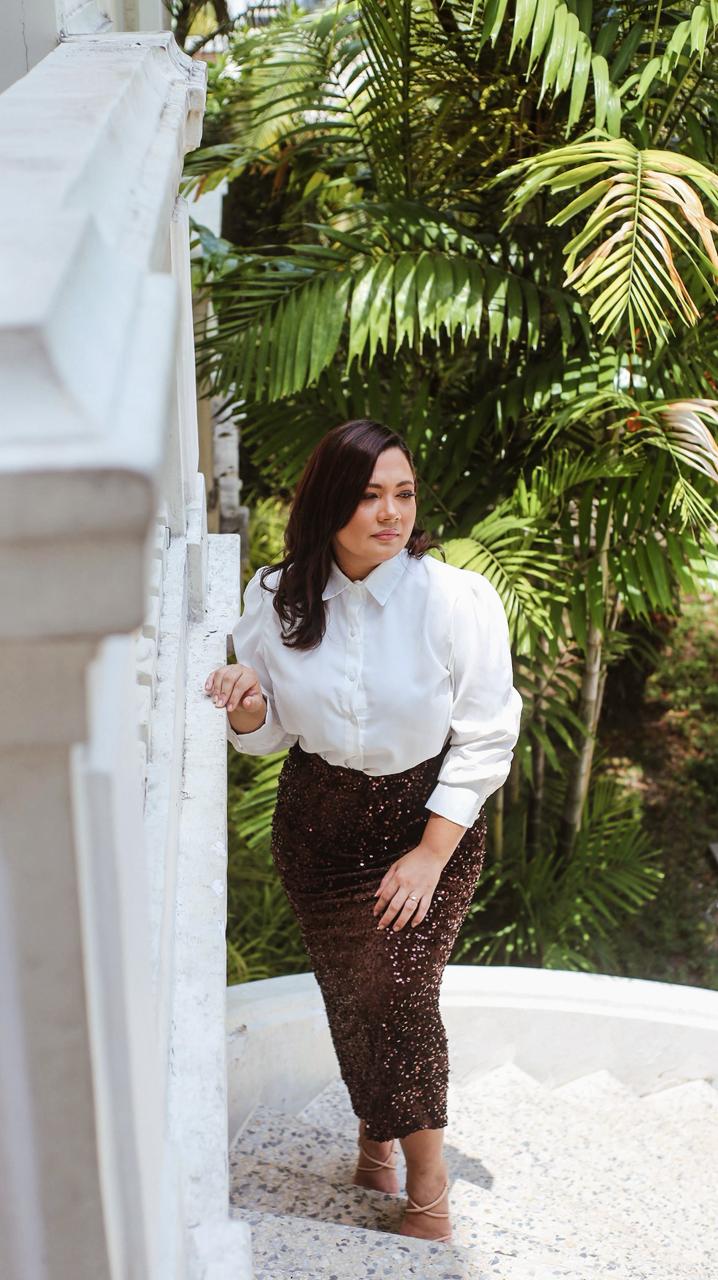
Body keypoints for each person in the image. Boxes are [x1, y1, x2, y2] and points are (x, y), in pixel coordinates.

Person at [205, 419, 522, 1244]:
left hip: (427, 820)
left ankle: (428, 1189)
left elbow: (488, 736)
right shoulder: (277, 597)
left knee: (396, 993)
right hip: (319, 825)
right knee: (353, 992)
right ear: (329, 503)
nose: (392, 513)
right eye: (371, 495)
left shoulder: (455, 600)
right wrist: (248, 707)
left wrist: (429, 854)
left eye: (404, 494)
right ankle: (374, 1142)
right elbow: (269, 735)